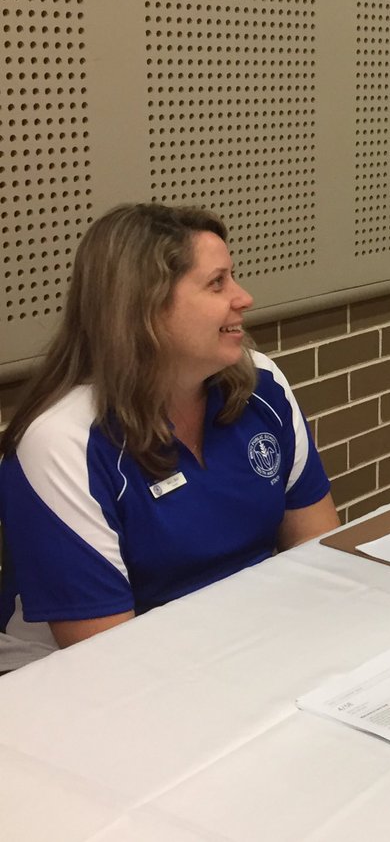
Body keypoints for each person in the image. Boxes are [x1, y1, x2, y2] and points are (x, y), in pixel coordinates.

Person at [0, 203, 339, 651]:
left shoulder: (261, 383)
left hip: (246, 641)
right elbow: (105, 658)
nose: (243, 297)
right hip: (81, 682)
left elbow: (322, 557)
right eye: (217, 282)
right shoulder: (62, 441)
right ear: (145, 307)